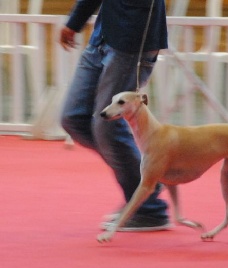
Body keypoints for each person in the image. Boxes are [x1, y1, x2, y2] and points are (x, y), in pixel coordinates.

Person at [60, 0, 171, 231]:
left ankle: (148, 208)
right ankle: (145, 182)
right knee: (73, 118)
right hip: (102, 38)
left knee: (107, 129)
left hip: (131, 43)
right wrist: (75, 22)